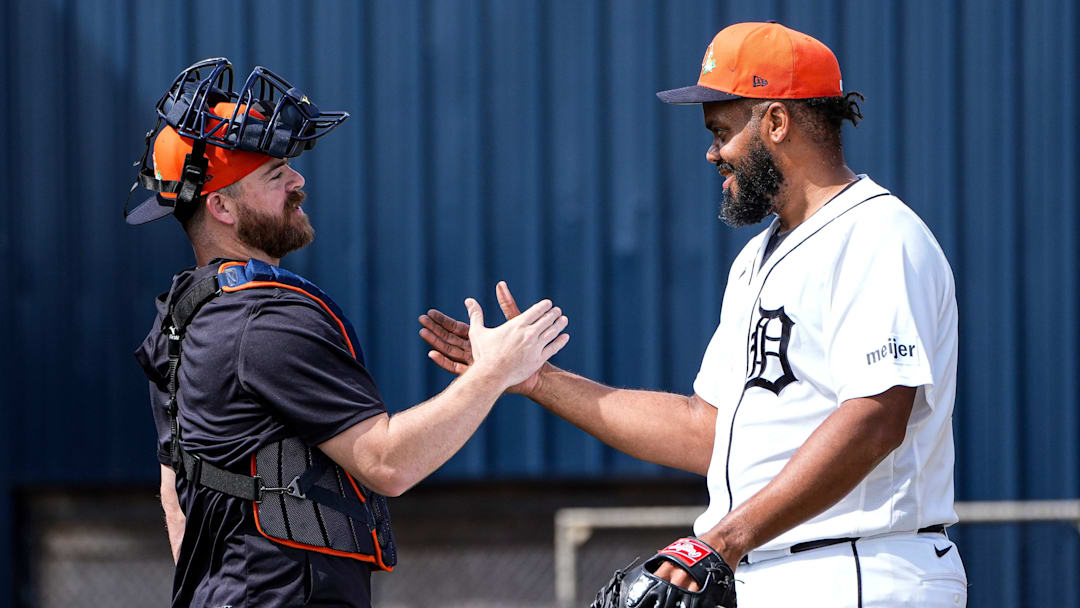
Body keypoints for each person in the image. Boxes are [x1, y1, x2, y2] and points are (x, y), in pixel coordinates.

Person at [420, 22, 966, 607]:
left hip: (858, 565)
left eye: (723, 131)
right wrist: (535, 380)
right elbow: (707, 430)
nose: (712, 153)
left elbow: (877, 416)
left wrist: (723, 541)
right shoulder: (759, 258)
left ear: (776, 122)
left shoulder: (876, 234)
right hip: (774, 567)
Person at [129, 58, 569, 607]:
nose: (298, 181)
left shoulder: (181, 319)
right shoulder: (267, 320)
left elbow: (177, 497)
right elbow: (389, 463)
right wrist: (495, 371)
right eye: (274, 174)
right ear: (220, 206)